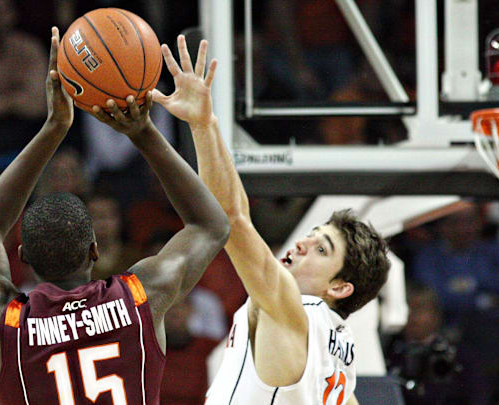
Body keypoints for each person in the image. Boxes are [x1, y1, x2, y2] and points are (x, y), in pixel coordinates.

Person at [0, 27, 229, 404]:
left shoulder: (3, 320)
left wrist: (53, 128)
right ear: (94, 250)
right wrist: (143, 131)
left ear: (22, 258)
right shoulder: (139, 298)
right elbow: (211, 225)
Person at [152, 35, 390, 404]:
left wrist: (203, 124)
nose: (302, 243)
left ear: (340, 287)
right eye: (313, 235)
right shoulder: (342, 350)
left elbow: (231, 218)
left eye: (321, 249)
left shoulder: (297, 308)